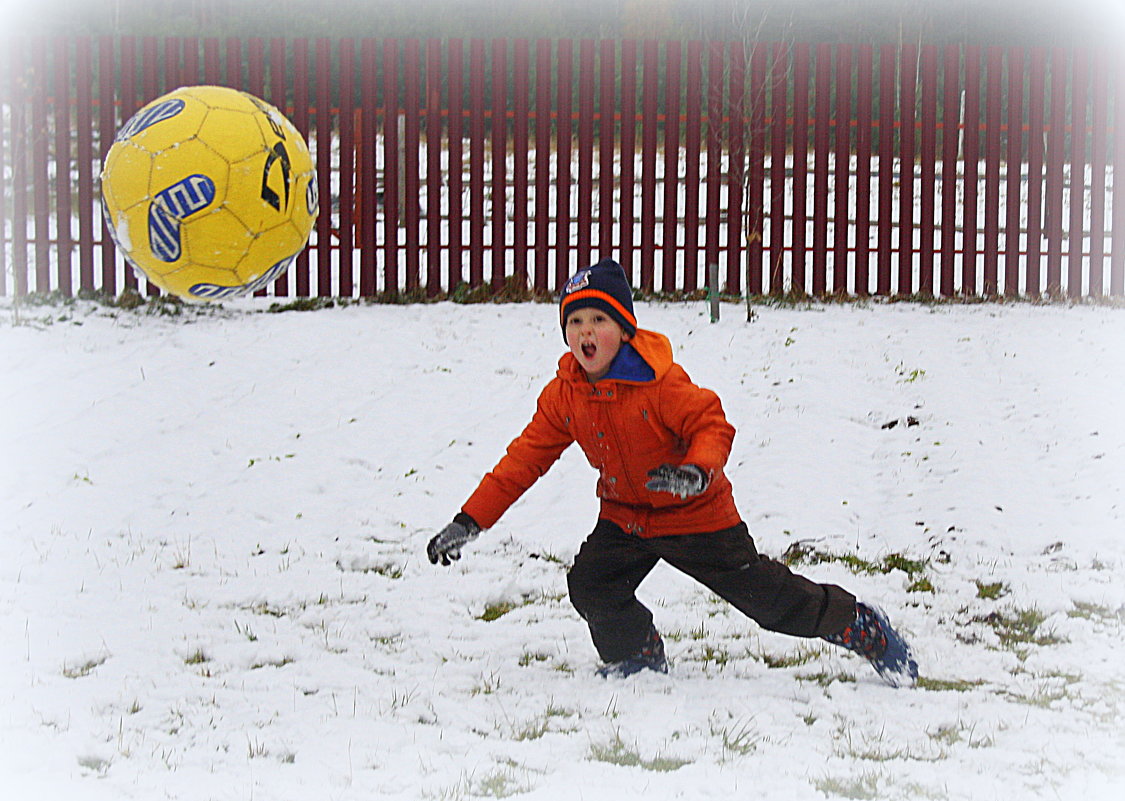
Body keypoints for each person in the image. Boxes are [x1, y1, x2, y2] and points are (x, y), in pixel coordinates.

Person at [427, 258, 918, 687]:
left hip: (696, 515)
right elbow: (524, 458)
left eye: (599, 319)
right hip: (627, 518)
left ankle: (859, 625)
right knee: (592, 584)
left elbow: (712, 422)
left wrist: (696, 472)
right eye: (574, 321)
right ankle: (636, 654)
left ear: (623, 329)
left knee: (768, 602)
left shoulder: (659, 383)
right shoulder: (566, 395)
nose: (585, 332)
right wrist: (469, 520)